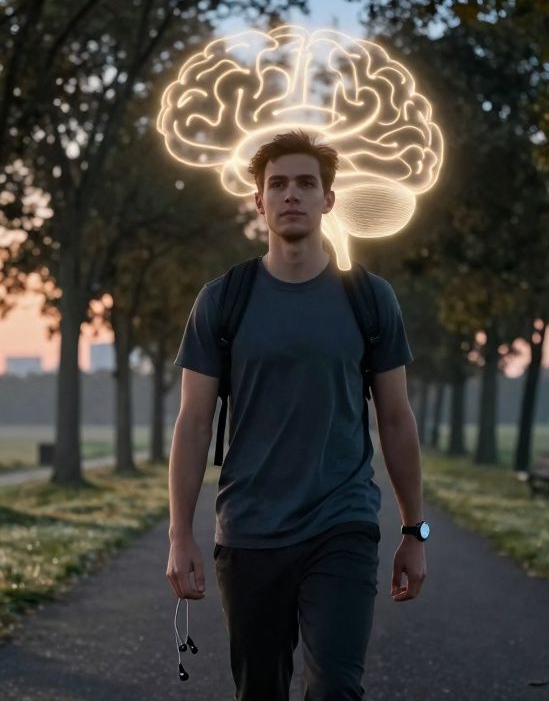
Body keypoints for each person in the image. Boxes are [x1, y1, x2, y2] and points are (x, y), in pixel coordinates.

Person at [164, 129, 428, 700]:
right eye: (277, 184)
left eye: (306, 184)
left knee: (336, 688)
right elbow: (193, 423)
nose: (291, 195)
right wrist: (179, 534)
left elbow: (397, 419)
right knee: (261, 691)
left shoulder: (370, 299)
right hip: (250, 531)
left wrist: (414, 530)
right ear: (259, 201)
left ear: (329, 199)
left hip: (343, 523)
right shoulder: (222, 300)